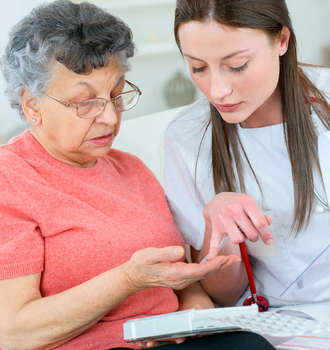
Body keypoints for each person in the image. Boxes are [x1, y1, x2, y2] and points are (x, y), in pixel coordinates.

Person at [0, 1, 277, 349]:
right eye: (86, 102)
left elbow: (181, 280)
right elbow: (12, 333)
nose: (111, 119)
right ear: (30, 104)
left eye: (116, 95)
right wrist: (129, 279)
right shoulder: (9, 179)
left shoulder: (130, 168)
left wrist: (195, 310)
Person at [164, 0, 330, 322]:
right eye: (198, 67)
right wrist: (218, 226)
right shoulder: (186, 138)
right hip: (279, 322)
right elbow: (222, 294)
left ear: (282, 41)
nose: (218, 90)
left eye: (237, 65)